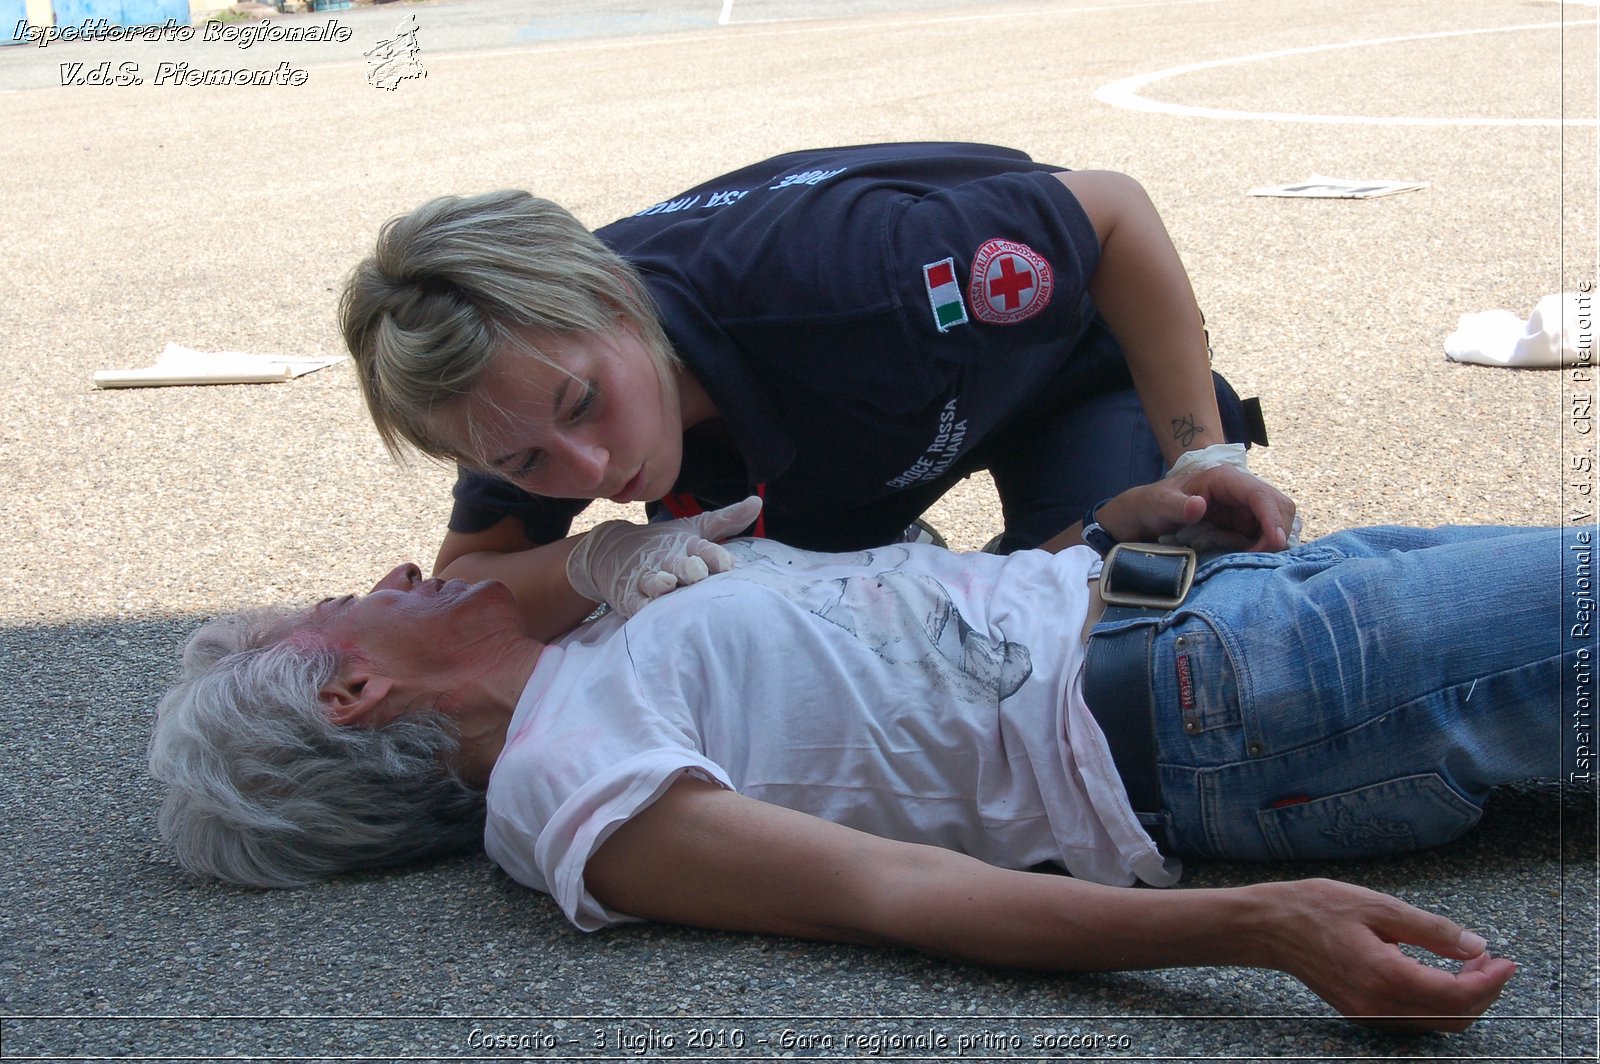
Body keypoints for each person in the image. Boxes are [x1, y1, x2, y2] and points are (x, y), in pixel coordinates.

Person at [148, 462, 1582, 1032]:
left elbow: (906, 658)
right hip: (1232, 709)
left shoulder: (602, 636)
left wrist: (1105, 535)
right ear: (354, 700)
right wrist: (1268, 928)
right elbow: (897, 893)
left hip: (1226, 605)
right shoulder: (566, 784)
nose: (398, 574)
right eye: (352, 607)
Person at [338, 142, 1292, 642]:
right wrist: (596, 561)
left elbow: (1113, 212)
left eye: (584, 405)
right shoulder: (506, 382)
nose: (594, 470)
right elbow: (467, 585)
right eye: (524, 462)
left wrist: (1200, 452)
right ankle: (890, 552)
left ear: (616, 297)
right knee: (824, 635)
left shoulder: (856, 276)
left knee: (1129, 621)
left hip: (1056, 370)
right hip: (853, 432)